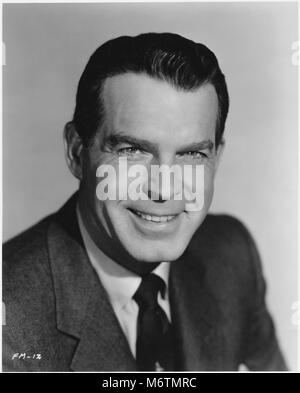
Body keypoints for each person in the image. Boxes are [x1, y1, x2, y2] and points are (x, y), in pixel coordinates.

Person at [2, 32, 287, 371]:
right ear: (77, 153)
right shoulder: (10, 319)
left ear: (217, 158)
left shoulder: (231, 255)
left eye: (192, 154)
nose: (164, 190)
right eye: (132, 151)